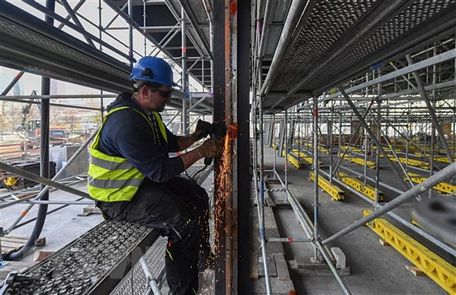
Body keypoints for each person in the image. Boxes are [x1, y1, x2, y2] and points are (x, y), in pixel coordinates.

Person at [87, 56, 222, 294]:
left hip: (138, 183)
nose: (169, 99)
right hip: (118, 199)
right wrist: (201, 152)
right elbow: (161, 172)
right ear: (146, 90)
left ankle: (202, 258)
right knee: (183, 224)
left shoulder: (147, 114)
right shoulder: (126, 124)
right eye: (165, 93)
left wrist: (196, 136)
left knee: (198, 196)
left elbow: (171, 143)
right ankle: (183, 290)